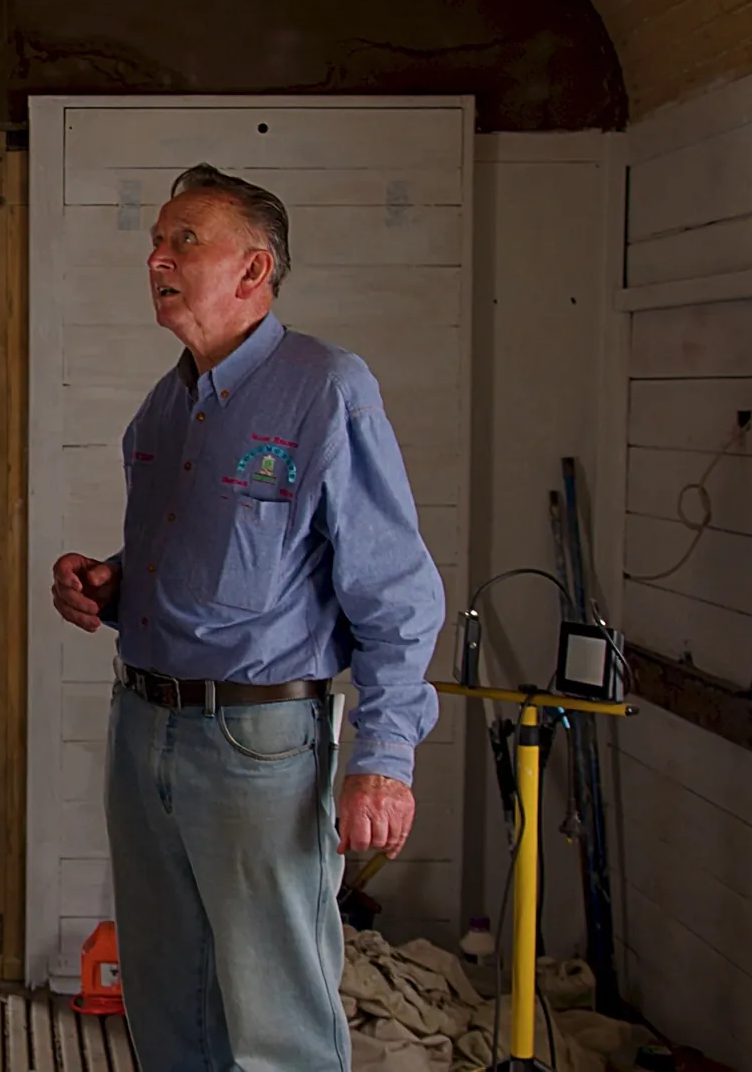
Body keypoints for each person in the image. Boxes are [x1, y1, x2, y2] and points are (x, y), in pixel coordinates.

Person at [51, 164, 445, 1069]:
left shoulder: (326, 389)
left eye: (184, 239)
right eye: (156, 240)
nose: (157, 257)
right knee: (165, 997)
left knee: (277, 1019)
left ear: (254, 269)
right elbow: (220, 570)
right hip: (143, 726)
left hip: (260, 745)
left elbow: (396, 592)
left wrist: (385, 759)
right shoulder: (164, 409)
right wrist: (111, 587)